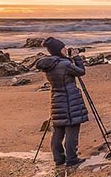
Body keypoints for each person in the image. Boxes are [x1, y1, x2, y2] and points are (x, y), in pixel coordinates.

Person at [36, 37, 88, 166]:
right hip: (70, 99)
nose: (65, 49)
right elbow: (81, 72)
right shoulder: (64, 64)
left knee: (58, 130)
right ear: (59, 50)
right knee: (72, 128)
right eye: (63, 48)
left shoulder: (49, 64)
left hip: (56, 99)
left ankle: (58, 158)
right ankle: (71, 158)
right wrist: (76, 58)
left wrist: (66, 58)